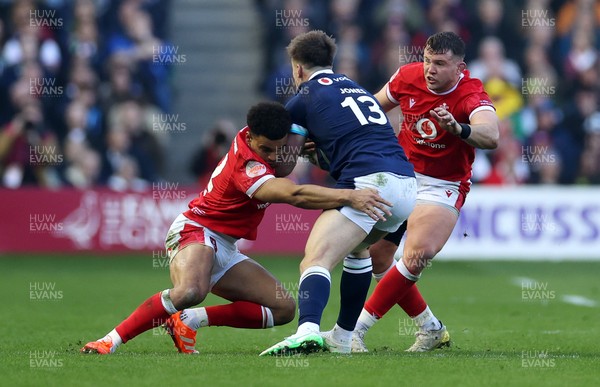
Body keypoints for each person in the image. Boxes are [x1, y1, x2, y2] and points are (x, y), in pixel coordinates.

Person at [80, 101, 392, 354]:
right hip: (195, 229)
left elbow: (290, 146)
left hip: (225, 244)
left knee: (283, 308)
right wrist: (349, 195)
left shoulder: (270, 136)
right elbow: (295, 194)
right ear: (251, 136)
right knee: (191, 290)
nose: (270, 155)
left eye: (276, 149)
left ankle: (188, 320)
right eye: (265, 149)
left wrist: (301, 144)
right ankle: (109, 341)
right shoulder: (248, 165)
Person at [260, 30, 417, 356]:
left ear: (298, 68)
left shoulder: (303, 97)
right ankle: (344, 338)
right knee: (358, 252)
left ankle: (306, 331)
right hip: (406, 183)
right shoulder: (356, 87)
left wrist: (294, 151)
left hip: (370, 182)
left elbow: (285, 168)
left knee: (315, 259)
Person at [352, 31, 499, 352]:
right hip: (403, 176)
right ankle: (430, 329)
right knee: (377, 255)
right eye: (427, 61)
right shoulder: (407, 77)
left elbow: (491, 135)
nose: (430, 69)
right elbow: (371, 110)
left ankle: (354, 331)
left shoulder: (470, 93)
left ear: (459, 67)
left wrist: (459, 129)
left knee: (418, 255)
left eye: (440, 64)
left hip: (443, 185)